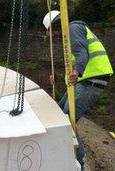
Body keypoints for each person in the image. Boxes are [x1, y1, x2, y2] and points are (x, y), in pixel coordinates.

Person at [43, 10, 113, 170]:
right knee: (60, 111)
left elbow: (82, 54)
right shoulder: (71, 37)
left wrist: (77, 73)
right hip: (87, 80)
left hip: (92, 80)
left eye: (51, 31)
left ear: (56, 25)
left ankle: (79, 163)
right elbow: (74, 66)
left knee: (66, 122)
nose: (52, 36)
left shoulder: (73, 28)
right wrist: (62, 77)